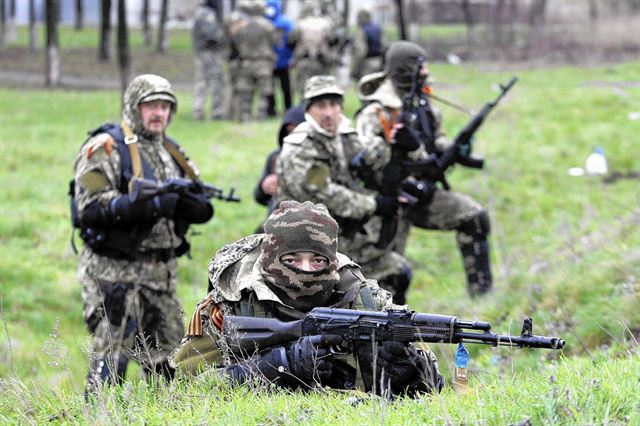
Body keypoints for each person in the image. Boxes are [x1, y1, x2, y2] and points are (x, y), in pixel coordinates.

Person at [169, 200, 443, 396]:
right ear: (270, 259)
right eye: (292, 259)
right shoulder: (230, 303)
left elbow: (436, 388)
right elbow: (184, 388)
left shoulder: (368, 302)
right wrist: (275, 366)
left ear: (332, 261)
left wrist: (411, 372)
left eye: (317, 260)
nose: (305, 269)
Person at [72, 74, 214, 395]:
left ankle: (164, 413)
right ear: (134, 106)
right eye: (151, 105)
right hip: (113, 272)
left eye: (165, 106)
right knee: (113, 351)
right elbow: (88, 207)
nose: (159, 113)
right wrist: (137, 205)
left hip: (161, 273)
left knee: (170, 358)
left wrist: (194, 206)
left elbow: (198, 194)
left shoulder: (171, 151)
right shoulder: (105, 148)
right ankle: (100, 415)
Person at [355, 41, 493, 297]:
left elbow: (434, 137)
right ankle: (388, 330)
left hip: (425, 193)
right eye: (421, 65)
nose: (427, 71)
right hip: (389, 201)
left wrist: (455, 148)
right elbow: (365, 157)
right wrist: (399, 149)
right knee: (389, 274)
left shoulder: (423, 102)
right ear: (407, 69)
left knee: (475, 219)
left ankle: (482, 298)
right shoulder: (377, 111)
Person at [274, 75, 413, 305]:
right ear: (309, 109)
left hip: (344, 236)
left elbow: (369, 161)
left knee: (397, 271)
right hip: (307, 244)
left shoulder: (345, 135)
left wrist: (397, 146)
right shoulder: (299, 147)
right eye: (321, 105)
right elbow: (323, 194)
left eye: (334, 104)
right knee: (348, 295)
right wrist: (374, 204)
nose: (329, 112)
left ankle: (390, 331)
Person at [226, 0, 278, 121]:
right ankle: (261, 115)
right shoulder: (268, 26)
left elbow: (235, 42)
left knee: (246, 92)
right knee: (264, 92)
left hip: (246, 62)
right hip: (263, 62)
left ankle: (245, 116)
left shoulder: (242, 26)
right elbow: (274, 42)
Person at [254, 104, 305, 216]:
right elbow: (259, 197)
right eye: (288, 131)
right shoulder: (275, 157)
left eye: (297, 131)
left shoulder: (314, 158)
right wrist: (264, 186)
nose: (292, 135)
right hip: (276, 220)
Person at [289, 3, 338, 100]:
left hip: (304, 60)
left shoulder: (299, 24)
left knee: (304, 88)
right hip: (321, 60)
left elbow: (291, 41)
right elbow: (333, 41)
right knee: (322, 88)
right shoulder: (326, 23)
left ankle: (305, 109)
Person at [191, 0, 228, 121]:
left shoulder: (199, 12)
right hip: (209, 53)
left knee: (201, 82)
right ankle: (216, 112)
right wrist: (224, 37)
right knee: (217, 82)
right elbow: (212, 34)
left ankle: (198, 110)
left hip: (200, 52)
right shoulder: (207, 14)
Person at [264, 0, 294, 117]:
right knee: (270, 88)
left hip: (282, 61)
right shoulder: (266, 22)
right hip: (270, 62)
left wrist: (290, 58)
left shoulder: (285, 23)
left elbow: (291, 41)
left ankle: (288, 109)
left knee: (285, 87)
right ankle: (271, 110)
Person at [350, 9, 385, 82]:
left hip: (367, 64)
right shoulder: (377, 28)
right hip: (378, 62)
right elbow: (384, 46)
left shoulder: (362, 30)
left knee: (366, 89)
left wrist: (356, 67)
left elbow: (361, 51)